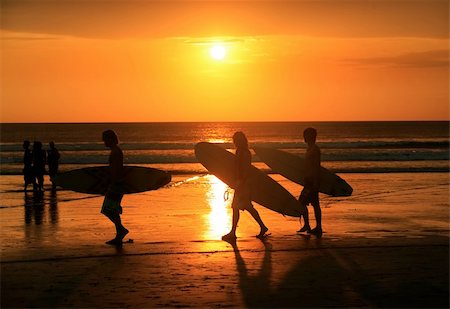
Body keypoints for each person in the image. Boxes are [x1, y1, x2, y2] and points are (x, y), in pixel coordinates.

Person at [222, 131, 269, 242]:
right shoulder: (241, 151)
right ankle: (262, 227)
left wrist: (241, 183)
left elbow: (245, 169)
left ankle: (233, 232)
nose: (236, 142)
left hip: (244, 184)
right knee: (245, 207)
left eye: (238, 140)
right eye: (235, 140)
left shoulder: (244, 152)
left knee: (239, 207)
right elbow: (238, 169)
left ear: (242, 140)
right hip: (241, 183)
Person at [101, 129, 128, 245]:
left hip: (116, 185)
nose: (104, 142)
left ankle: (120, 230)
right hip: (117, 184)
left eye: (105, 139)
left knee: (108, 209)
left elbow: (115, 170)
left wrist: (112, 184)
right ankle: (120, 232)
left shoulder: (116, 152)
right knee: (111, 210)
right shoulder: (115, 151)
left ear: (110, 139)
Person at [297, 127, 322, 236]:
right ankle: (317, 226)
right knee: (315, 204)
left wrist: (316, 183)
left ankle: (312, 225)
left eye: (305, 135)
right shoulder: (310, 149)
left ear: (310, 137)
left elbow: (316, 167)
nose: (304, 138)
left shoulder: (315, 150)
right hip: (309, 181)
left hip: (312, 182)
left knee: (302, 202)